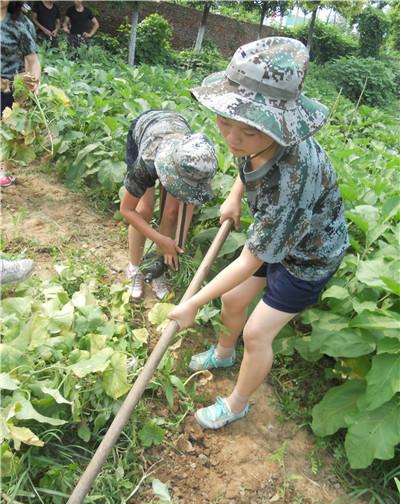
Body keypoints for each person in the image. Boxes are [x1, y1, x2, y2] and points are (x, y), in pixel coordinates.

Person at [168, 37, 349, 430]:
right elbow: (243, 159)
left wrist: (193, 303)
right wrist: (235, 196)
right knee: (233, 300)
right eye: (225, 122)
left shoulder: (293, 179)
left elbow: (252, 257)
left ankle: (237, 403)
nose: (233, 138)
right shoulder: (252, 135)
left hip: (309, 258)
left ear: (278, 125)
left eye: (246, 132)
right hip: (279, 238)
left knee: (257, 332)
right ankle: (223, 353)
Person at [120, 109, 218, 301]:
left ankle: (157, 271)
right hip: (146, 133)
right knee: (144, 210)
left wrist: (177, 243)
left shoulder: (200, 164)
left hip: (176, 135)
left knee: (171, 213)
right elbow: (126, 210)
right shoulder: (146, 163)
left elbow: (189, 201)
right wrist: (161, 240)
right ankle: (135, 267)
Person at [0, 0, 41, 188]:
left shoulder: (19, 24)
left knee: (9, 131)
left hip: (8, 85)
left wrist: (33, 84)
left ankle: (4, 171)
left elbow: (32, 60)